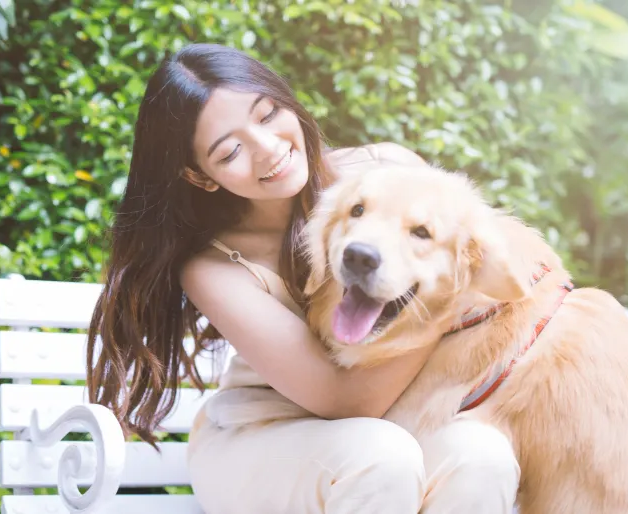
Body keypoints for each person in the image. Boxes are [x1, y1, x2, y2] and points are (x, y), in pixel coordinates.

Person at [86, 42, 520, 513]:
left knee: (484, 454)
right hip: (259, 439)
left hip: (387, 429)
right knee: (380, 456)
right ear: (200, 176)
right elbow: (345, 400)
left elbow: (478, 257)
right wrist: (449, 301)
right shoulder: (214, 268)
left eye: (269, 114)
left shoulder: (383, 172)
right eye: (231, 151)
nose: (268, 149)